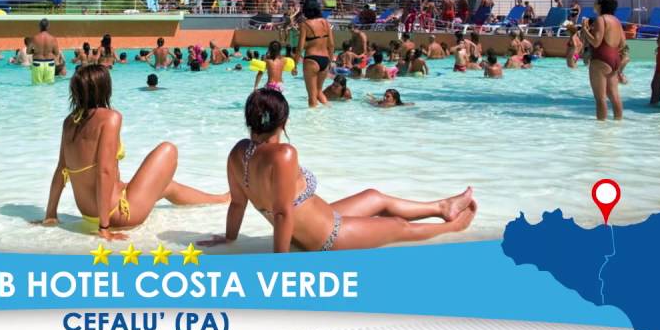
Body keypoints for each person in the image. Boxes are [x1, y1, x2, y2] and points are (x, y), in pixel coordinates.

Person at [200, 88, 473, 252]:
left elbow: (238, 203)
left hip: (325, 217)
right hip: (327, 237)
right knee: (398, 226)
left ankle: (442, 207)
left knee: (374, 196)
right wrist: (280, 267)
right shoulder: (283, 154)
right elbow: (282, 213)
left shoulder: (238, 152)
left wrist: (229, 237)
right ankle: (454, 226)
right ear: (284, 121)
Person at [38, 65, 227, 240]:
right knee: (168, 149)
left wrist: (50, 215)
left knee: (167, 186)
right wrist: (104, 227)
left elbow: (61, 170)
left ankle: (219, 200)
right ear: (105, 88)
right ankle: (223, 199)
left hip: (88, 213)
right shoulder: (110, 118)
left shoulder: (69, 122)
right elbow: (105, 172)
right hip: (116, 214)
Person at [581, 0, 627, 120]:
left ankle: (601, 128)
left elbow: (596, 42)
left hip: (601, 58)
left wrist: (585, 29)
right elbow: (623, 44)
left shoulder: (601, 19)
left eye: (596, 1)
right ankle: (619, 123)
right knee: (614, 96)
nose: (594, 3)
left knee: (600, 98)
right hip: (614, 59)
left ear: (600, 5)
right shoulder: (617, 21)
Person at [298, 0, 334, 107]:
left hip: (312, 59)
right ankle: (330, 111)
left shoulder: (305, 24)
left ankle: (313, 118)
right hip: (325, 59)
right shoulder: (325, 23)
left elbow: (300, 47)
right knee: (319, 92)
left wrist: (295, 64)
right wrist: (330, 61)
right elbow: (331, 45)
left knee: (312, 97)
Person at [31, 18, 60, 84]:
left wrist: (36, 51)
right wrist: (49, 51)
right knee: (49, 86)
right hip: (49, 64)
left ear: (39, 26)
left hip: (37, 63)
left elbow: (28, 51)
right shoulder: (53, 39)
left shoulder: (34, 38)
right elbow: (57, 53)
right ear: (48, 26)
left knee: (36, 86)